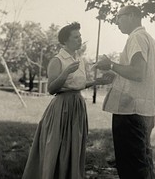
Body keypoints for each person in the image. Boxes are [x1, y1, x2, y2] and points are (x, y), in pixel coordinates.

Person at [22, 22, 109, 179]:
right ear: (65, 41)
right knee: (57, 147)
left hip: (77, 106)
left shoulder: (80, 60)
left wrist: (97, 82)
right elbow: (51, 89)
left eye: (80, 36)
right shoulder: (57, 60)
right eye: (76, 37)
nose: (80, 39)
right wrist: (66, 72)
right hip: (62, 108)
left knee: (74, 147)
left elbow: (78, 84)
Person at [95, 6, 155, 179]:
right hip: (146, 111)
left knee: (131, 167)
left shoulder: (136, 37)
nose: (116, 22)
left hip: (131, 112)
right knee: (143, 162)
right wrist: (116, 74)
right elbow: (142, 75)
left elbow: (138, 73)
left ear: (132, 16)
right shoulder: (150, 39)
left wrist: (110, 65)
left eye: (119, 17)